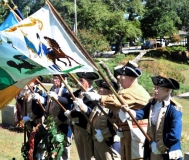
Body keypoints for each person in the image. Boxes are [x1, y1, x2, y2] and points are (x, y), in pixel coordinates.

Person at [84, 61, 151, 160]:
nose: (119, 79)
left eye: (122, 77)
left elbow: (118, 101)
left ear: (131, 78)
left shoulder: (137, 91)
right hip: (127, 134)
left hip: (137, 135)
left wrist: (100, 98)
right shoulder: (125, 91)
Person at [120, 75, 183, 160]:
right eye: (155, 87)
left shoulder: (174, 109)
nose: (155, 90)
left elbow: (174, 135)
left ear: (167, 90)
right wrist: (129, 111)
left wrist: (159, 146)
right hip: (152, 150)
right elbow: (141, 113)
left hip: (167, 152)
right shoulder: (153, 104)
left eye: (158, 88)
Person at [63, 72, 99, 160]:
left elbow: (88, 112)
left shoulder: (93, 94)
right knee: (81, 154)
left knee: (88, 155)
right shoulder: (79, 92)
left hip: (86, 129)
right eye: (79, 80)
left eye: (81, 81)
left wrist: (71, 114)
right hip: (76, 127)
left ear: (89, 82)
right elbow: (66, 99)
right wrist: (56, 97)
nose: (79, 83)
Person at [87, 79, 121, 160]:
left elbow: (117, 123)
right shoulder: (98, 104)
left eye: (101, 88)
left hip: (109, 142)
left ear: (109, 92)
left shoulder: (114, 105)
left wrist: (103, 133)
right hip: (96, 140)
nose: (98, 90)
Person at [46, 74, 73, 160]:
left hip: (63, 124)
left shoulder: (66, 90)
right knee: (54, 145)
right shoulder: (53, 88)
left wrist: (57, 120)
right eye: (53, 78)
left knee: (64, 147)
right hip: (53, 123)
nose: (54, 80)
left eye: (57, 78)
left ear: (63, 79)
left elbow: (67, 108)